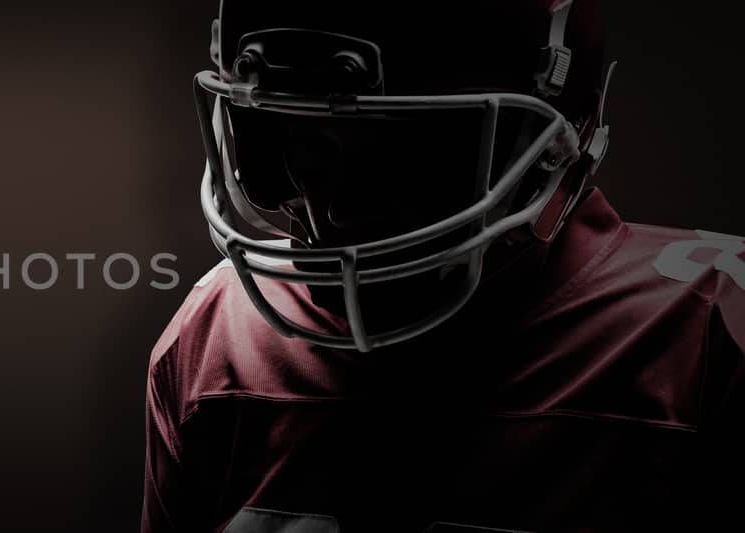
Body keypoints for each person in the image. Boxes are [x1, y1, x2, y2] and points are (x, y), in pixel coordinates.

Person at [141, 1, 745, 531]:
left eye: (399, 153)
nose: (326, 209)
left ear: (558, 134)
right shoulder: (219, 329)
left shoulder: (709, 328)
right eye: (284, 135)